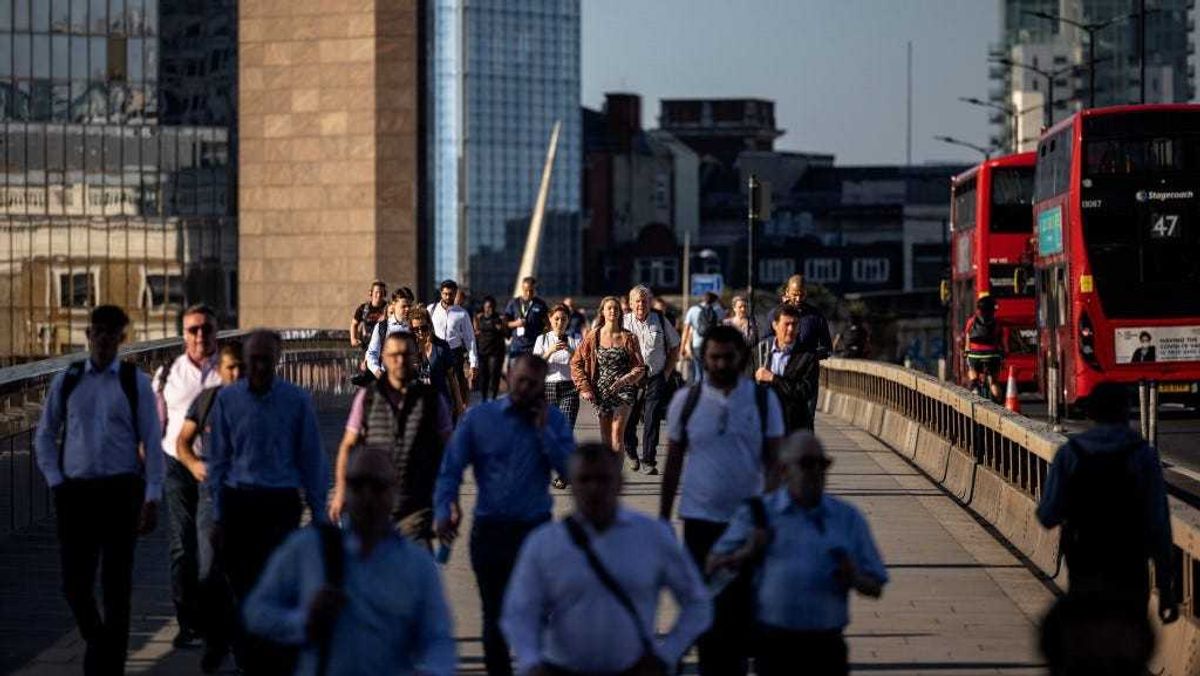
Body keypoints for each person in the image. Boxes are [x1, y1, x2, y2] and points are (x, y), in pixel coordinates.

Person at [501, 443, 712, 675]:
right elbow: (519, 611)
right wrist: (531, 662)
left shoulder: (652, 536)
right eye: (584, 479)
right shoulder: (545, 543)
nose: (594, 488)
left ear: (620, 484)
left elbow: (697, 602)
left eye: (603, 479)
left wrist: (666, 656)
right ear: (571, 485)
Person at [243, 447, 456, 676]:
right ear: (344, 488)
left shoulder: (417, 565)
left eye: (377, 486)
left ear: (394, 491)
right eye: (357, 484)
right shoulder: (309, 548)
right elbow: (256, 611)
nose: (367, 496)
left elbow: (439, 639)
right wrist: (303, 621)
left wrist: (431, 670)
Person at [34, 305, 164, 676]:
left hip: (121, 493)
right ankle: (99, 643)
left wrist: (152, 495)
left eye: (112, 332)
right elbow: (44, 435)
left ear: (122, 338)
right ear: (88, 335)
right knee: (74, 585)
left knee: (116, 587)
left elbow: (152, 442)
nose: (104, 338)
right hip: (75, 493)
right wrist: (56, 482)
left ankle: (108, 669)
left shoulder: (133, 381)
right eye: (98, 331)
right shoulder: (69, 378)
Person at [434, 354, 575, 676]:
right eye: (521, 380)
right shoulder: (480, 418)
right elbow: (450, 469)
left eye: (534, 385)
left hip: (536, 532)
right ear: (508, 375)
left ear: (543, 389)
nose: (525, 389)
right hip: (491, 531)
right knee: (494, 617)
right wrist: (447, 507)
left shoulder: (552, 420)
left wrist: (544, 434)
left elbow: (570, 470)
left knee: (538, 615)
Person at [658, 325, 784, 676]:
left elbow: (775, 462)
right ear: (704, 358)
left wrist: (769, 515)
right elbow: (672, 464)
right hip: (700, 523)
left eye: (728, 357)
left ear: (741, 357)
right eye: (714, 357)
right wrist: (663, 518)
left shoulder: (762, 400)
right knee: (706, 611)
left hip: (748, 524)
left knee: (745, 612)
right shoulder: (687, 401)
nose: (721, 364)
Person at [708, 432, 888, 676]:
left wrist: (855, 577)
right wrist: (746, 552)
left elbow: (876, 585)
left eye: (822, 464)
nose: (816, 471)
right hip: (774, 647)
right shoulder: (759, 514)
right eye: (806, 464)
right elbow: (711, 567)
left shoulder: (847, 518)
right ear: (783, 470)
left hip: (827, 648)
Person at [205, 329, 331, 675]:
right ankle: (248, 657)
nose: (259, 366)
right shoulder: (228, 401)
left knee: (276, 585)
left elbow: (311, 459)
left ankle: (269, 655)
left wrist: (319, 514)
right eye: (253, 359)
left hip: (280, 504)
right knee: (242, 587)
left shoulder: (296, 400)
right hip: (239, 502)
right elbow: (218, 462)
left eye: (266, 359)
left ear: (277, 360)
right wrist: (217, 515)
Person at [1036, 382, 1178, 622]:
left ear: (1091, 414)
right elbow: (1159, 524)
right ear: (1126, 411)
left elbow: (1047, 515)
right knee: (1130, 638)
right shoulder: (1143, 455)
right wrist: (1166, 587)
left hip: (1085, 564)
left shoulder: (1070, 454)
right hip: (1130, 565)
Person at [329, 331, 452, 548]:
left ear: (416, 357)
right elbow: (348, 446)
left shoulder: (432, 399)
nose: (400, 360)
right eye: (394, 355)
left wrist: (448, 500)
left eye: (406, 354)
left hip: (416, 506)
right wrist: (340, 492)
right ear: (384, 358)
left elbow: (450, 451)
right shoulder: (367, 398)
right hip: (373, 508)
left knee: (413, 574)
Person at [151, 303, 223, 649]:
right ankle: (187, 622)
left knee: (210, 544)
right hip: (176, 465)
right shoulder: (168, 373)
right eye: (193, 329)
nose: (200, 335)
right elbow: (154, 427)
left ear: (216, 332)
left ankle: (210, 619)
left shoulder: (228, 371)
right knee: (182, 544)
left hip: (215, 466)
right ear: (183, 334)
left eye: (206, 328)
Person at [174, 341, 243, 673]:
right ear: (218, 370)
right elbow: (182, 441)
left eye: (241, 367)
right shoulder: (208, 400)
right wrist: (193, 465)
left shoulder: (260, 401)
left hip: (248, 498)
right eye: (231, 367)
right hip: (212, 495)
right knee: (208, 569)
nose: (237, 373)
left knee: (243, 572)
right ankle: (217, 639)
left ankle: (235, 643)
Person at [571, 296, 645, 456]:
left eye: (616, 308)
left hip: (624, 389)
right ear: (602, 312)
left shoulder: (629, 338)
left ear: (620, 313)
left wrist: (625, 380)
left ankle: (616, 479)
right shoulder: (593, 336)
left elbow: (640, 367)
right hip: (601, 391)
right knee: (606, 439)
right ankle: (608, 475)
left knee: (617, 432)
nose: (613, 311)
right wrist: (584, 388)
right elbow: (576, 363)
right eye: (609, 308)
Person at [623, 285, 681, 475]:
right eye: (637, 301)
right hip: (631, 378)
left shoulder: (661, 321)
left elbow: (675, 347)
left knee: (652, 417)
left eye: (644, 301)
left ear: (650, 302)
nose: (641, 304)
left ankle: (649, 459)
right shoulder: (623, 323)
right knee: (629, 420)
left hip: (655, 376)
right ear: (631, 303)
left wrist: (666, 372)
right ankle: (631, 451)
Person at [769, 275, 832, 423]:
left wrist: (809, 356)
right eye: (794, 294)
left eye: (801, 294)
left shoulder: (816, 316)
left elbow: (827, 347)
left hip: (806, 376)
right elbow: (765, 340)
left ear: (806, 294)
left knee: (807, 419)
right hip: (780, 373)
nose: (798, 299)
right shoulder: (775, 314)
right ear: (787, 292)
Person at [755, 304, 819, 432]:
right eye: (786, 324)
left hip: (794, 426)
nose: (790, 329)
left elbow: (805, 391)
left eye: (795, 325)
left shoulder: (807, 356)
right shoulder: (760, 353)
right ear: (775, 325)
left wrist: (773, 379)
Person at [429, 279, 479, 413]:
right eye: (445, 294)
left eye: (451, 294)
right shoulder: (431, 310)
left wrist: (473, 363)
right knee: (436, 385)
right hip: (435, 353)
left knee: (456, 386)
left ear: (455, 294)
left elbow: (470, 339)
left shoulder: (462, 314)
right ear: (440, 293)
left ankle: (458, 413)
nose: (447, 297)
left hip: (454, 353)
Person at [534, 304, 584, 430]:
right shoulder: (542, 339)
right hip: (548, 388)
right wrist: (549, 351)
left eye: (563, 319)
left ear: (568, 320)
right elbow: (535, 364)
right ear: (550, 318)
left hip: (569, 388)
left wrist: (571, 351)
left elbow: (582, 362)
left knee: (566, 428)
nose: (560, 322)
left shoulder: (575, 339)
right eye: (556, 319)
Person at [408, 305, 458, 419]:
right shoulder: (408, 349)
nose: (420, 332)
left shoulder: (441, 346)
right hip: (417, 409)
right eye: (415, 329)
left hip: (441, 405)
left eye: (423, 328)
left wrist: (459, 406)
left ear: (430, 326)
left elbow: (453, 379)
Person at [365, 288, 414, 379]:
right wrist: (377, 371)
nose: (407, 309)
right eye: (404, 306)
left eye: (409, 306)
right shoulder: (382, 327)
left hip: (410, 380)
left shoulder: (415, 327)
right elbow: (372, 353)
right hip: (387, 379)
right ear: (394, 305)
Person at [964, 294, 1004, 401]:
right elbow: (1000, 339)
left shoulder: (972, 321)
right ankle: (1001, 406)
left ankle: (975, 386)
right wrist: (1002, 351)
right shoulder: (997, 322)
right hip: (993, 354)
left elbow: (968, 335)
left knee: (971, 368)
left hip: (975, 354)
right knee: (994, 382)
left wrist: (967, 349)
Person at [681, 292, 724, 385]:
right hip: (713, 345)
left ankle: (698, 393)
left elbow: (686, 331)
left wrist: (682, 348)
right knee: (710, 372)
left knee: (698, 371)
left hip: (697, 345)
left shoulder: (693, 310)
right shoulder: (718, 310)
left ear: (702, 299)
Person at [504, 276, 550, 363]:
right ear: (522, 288)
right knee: (515, 374)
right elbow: (505, 323)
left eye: (531, 291)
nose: (529, 293)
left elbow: (548, 324)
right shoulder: (514, 303)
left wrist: (543, 339)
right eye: (526, 290)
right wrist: (516, 323)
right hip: (517, 346)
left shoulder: (540, 304)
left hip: (534, 346)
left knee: (532, 374)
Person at [475, 295, 508, 401]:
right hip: (483, 351)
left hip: (495, 352)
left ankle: (493, 397)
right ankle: (484, 398)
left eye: (491, 307)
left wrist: (502, 327)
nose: (489, 309)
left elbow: (506, 334)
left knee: (494, 375)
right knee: (484, 376)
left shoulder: (498, 318)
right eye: (487, 306)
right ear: (484, 307)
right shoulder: (480, 318)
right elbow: (475, 331)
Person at [350, 280, 388, 355]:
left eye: (381, 292)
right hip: (366, 345)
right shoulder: (363, 308)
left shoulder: (388, 308)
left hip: (383, 346)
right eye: (376, 292)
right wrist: (353, 339)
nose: (379, 295)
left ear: (385, 294)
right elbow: (354, 324)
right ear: (371, 293)